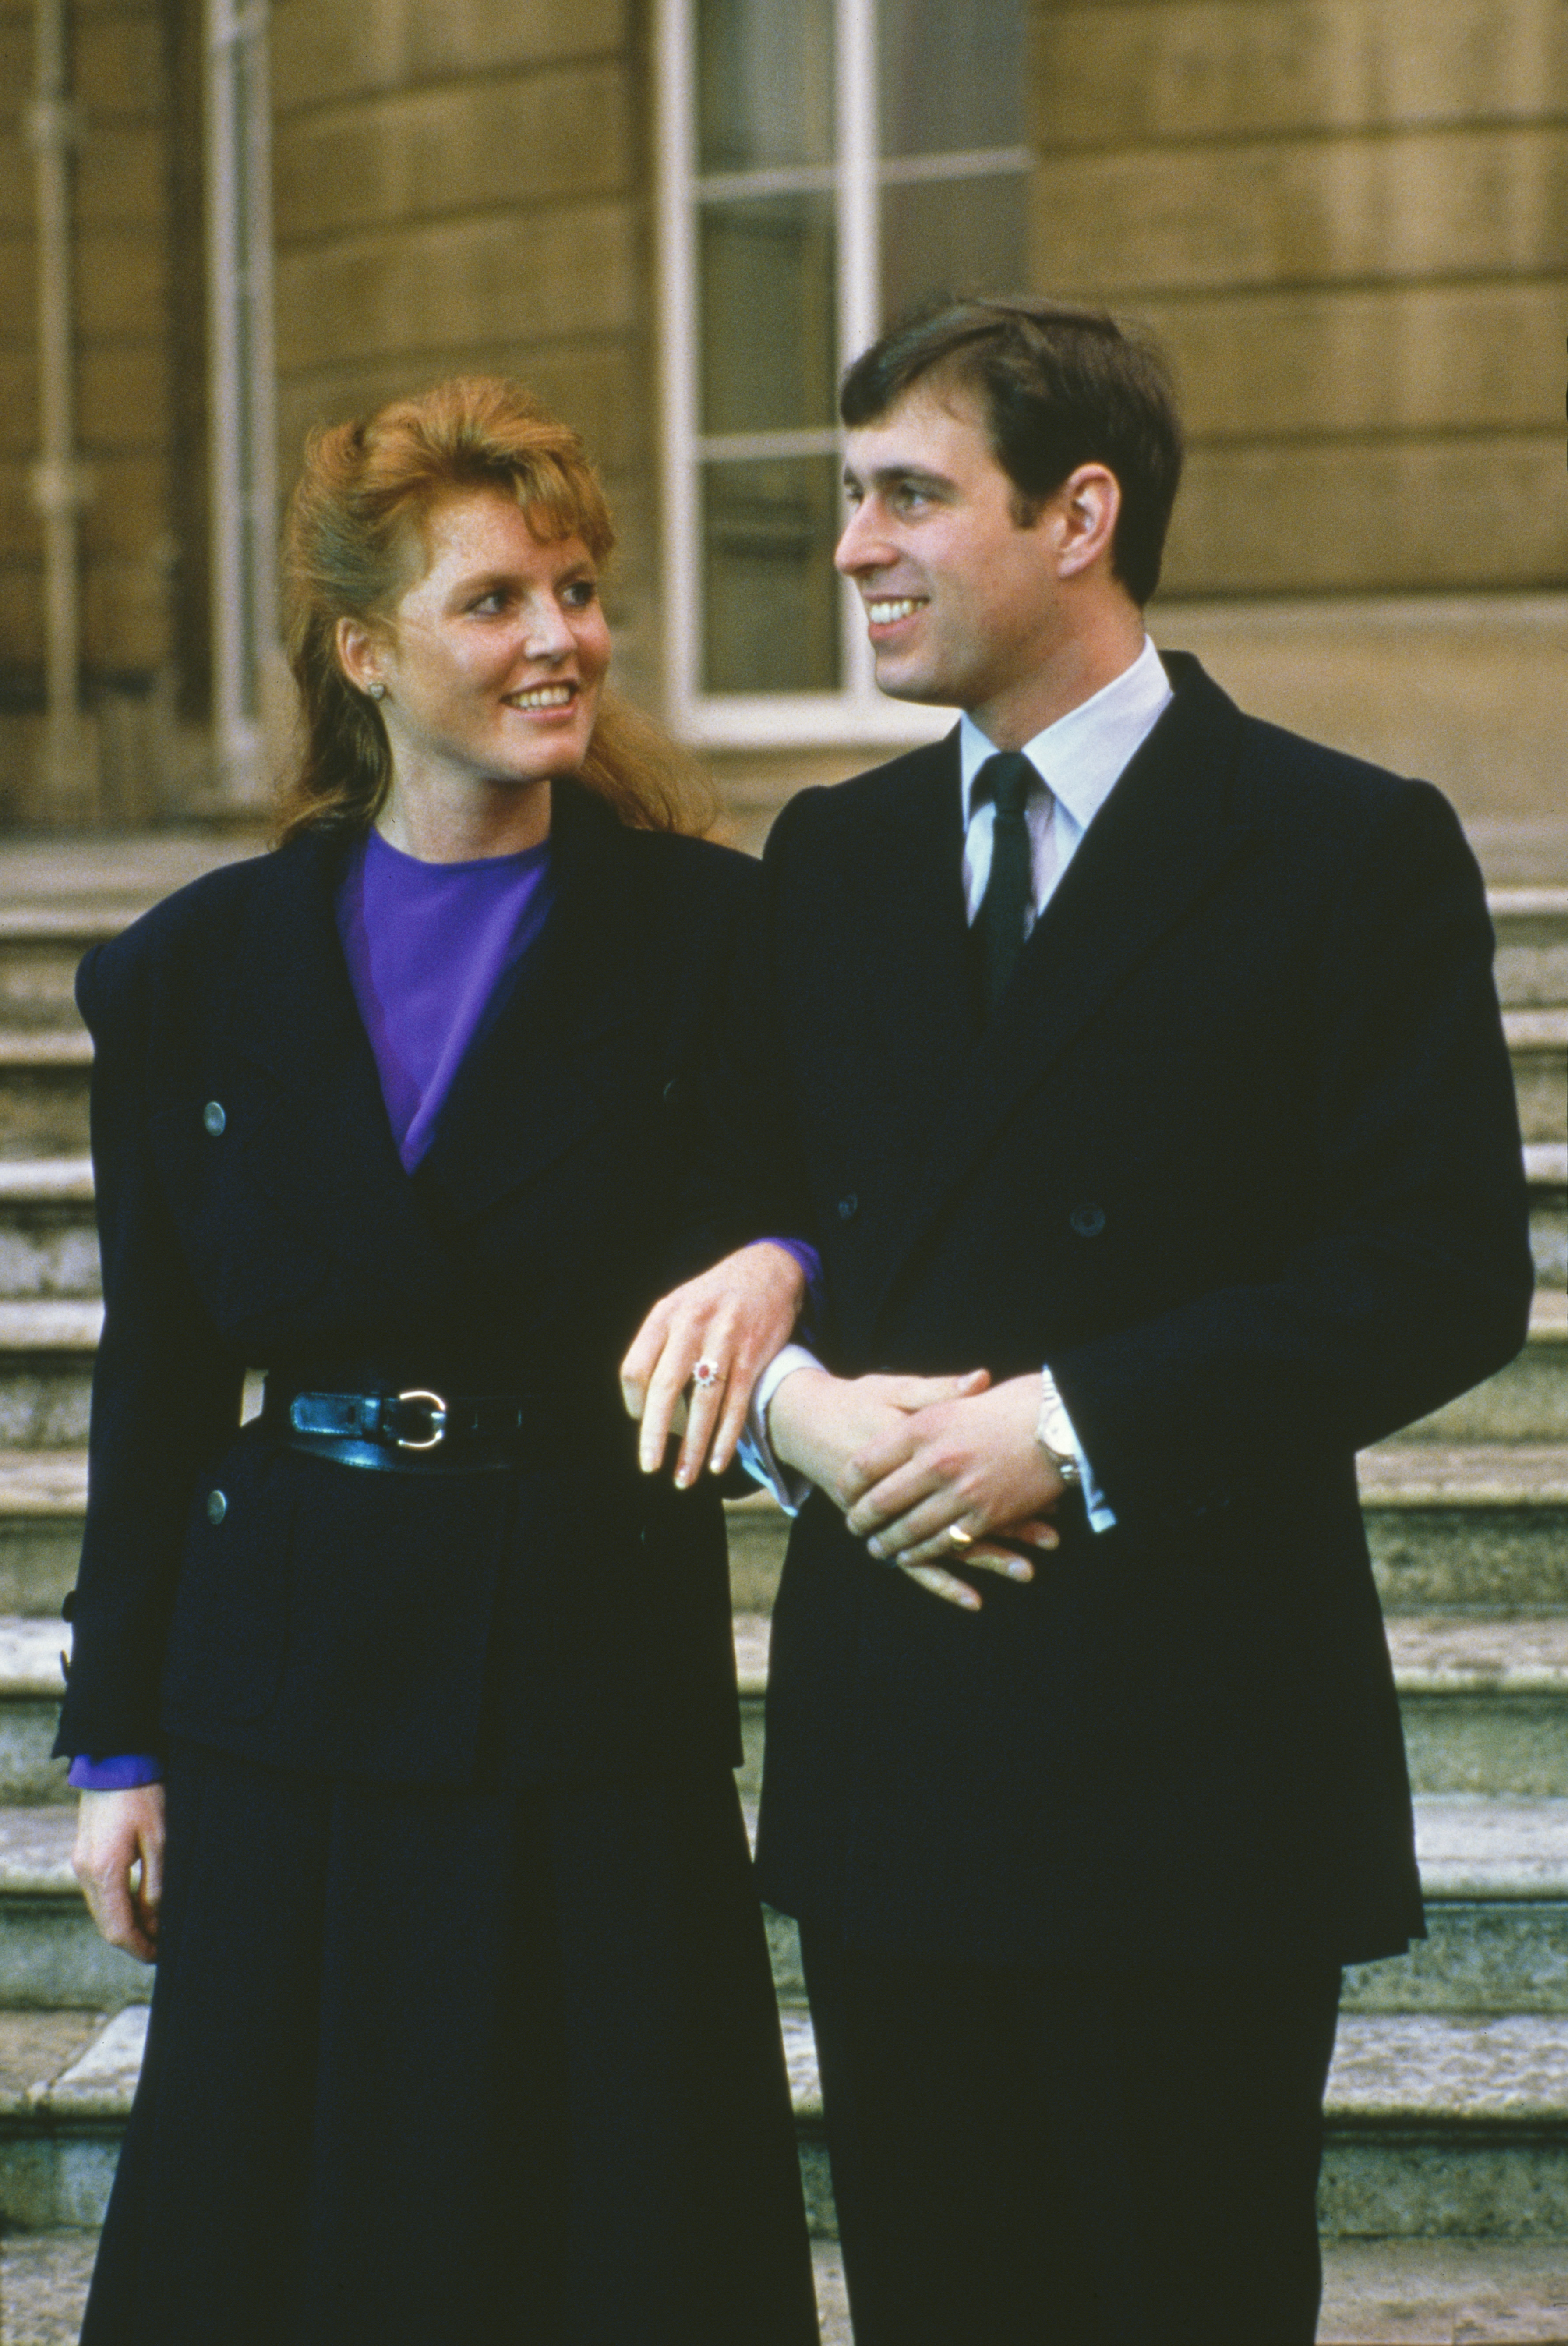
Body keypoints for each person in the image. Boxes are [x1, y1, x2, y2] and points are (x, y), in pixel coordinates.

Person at [622, 299, 1536, 2345]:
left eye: (906, 495)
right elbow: (723, 1213)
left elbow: (1440, 1267)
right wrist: (787, 1395)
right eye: (847, 494)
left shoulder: (1342, 844)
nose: (851, 545)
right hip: (901, 1750)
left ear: (1078, 515)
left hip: (1190, 1759)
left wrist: (1066, 1423)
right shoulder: (832, 857)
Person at [57, 377, 821, 2346]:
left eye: (576, 591)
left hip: (589, 1662)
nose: (558, 638)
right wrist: (119, 1744)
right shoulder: (187, 973)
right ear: (364, 651)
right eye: (492, 600)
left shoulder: (715, 935)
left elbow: (813, 1203)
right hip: (285, 1679)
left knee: (608, 2224)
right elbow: (158, 1380)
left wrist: (785, 1258)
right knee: (297, 2231)